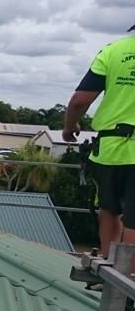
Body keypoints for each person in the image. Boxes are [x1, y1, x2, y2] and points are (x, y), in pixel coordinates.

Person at [63, 25, 135, 255]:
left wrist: (69, 126)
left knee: (108, 209)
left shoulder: (114, 51)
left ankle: (107, 270)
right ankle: (129, 283)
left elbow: (79, 100)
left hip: (111, 147)